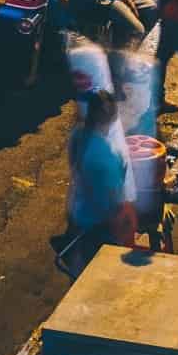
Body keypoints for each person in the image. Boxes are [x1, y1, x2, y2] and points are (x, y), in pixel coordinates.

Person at [60, 87, 134, 274]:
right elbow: (113, 200)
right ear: (112, 117)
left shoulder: (78, 133)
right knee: (96, 271)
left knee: (79, 263)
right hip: (96, 223)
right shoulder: (105, 156)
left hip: (76, 209)